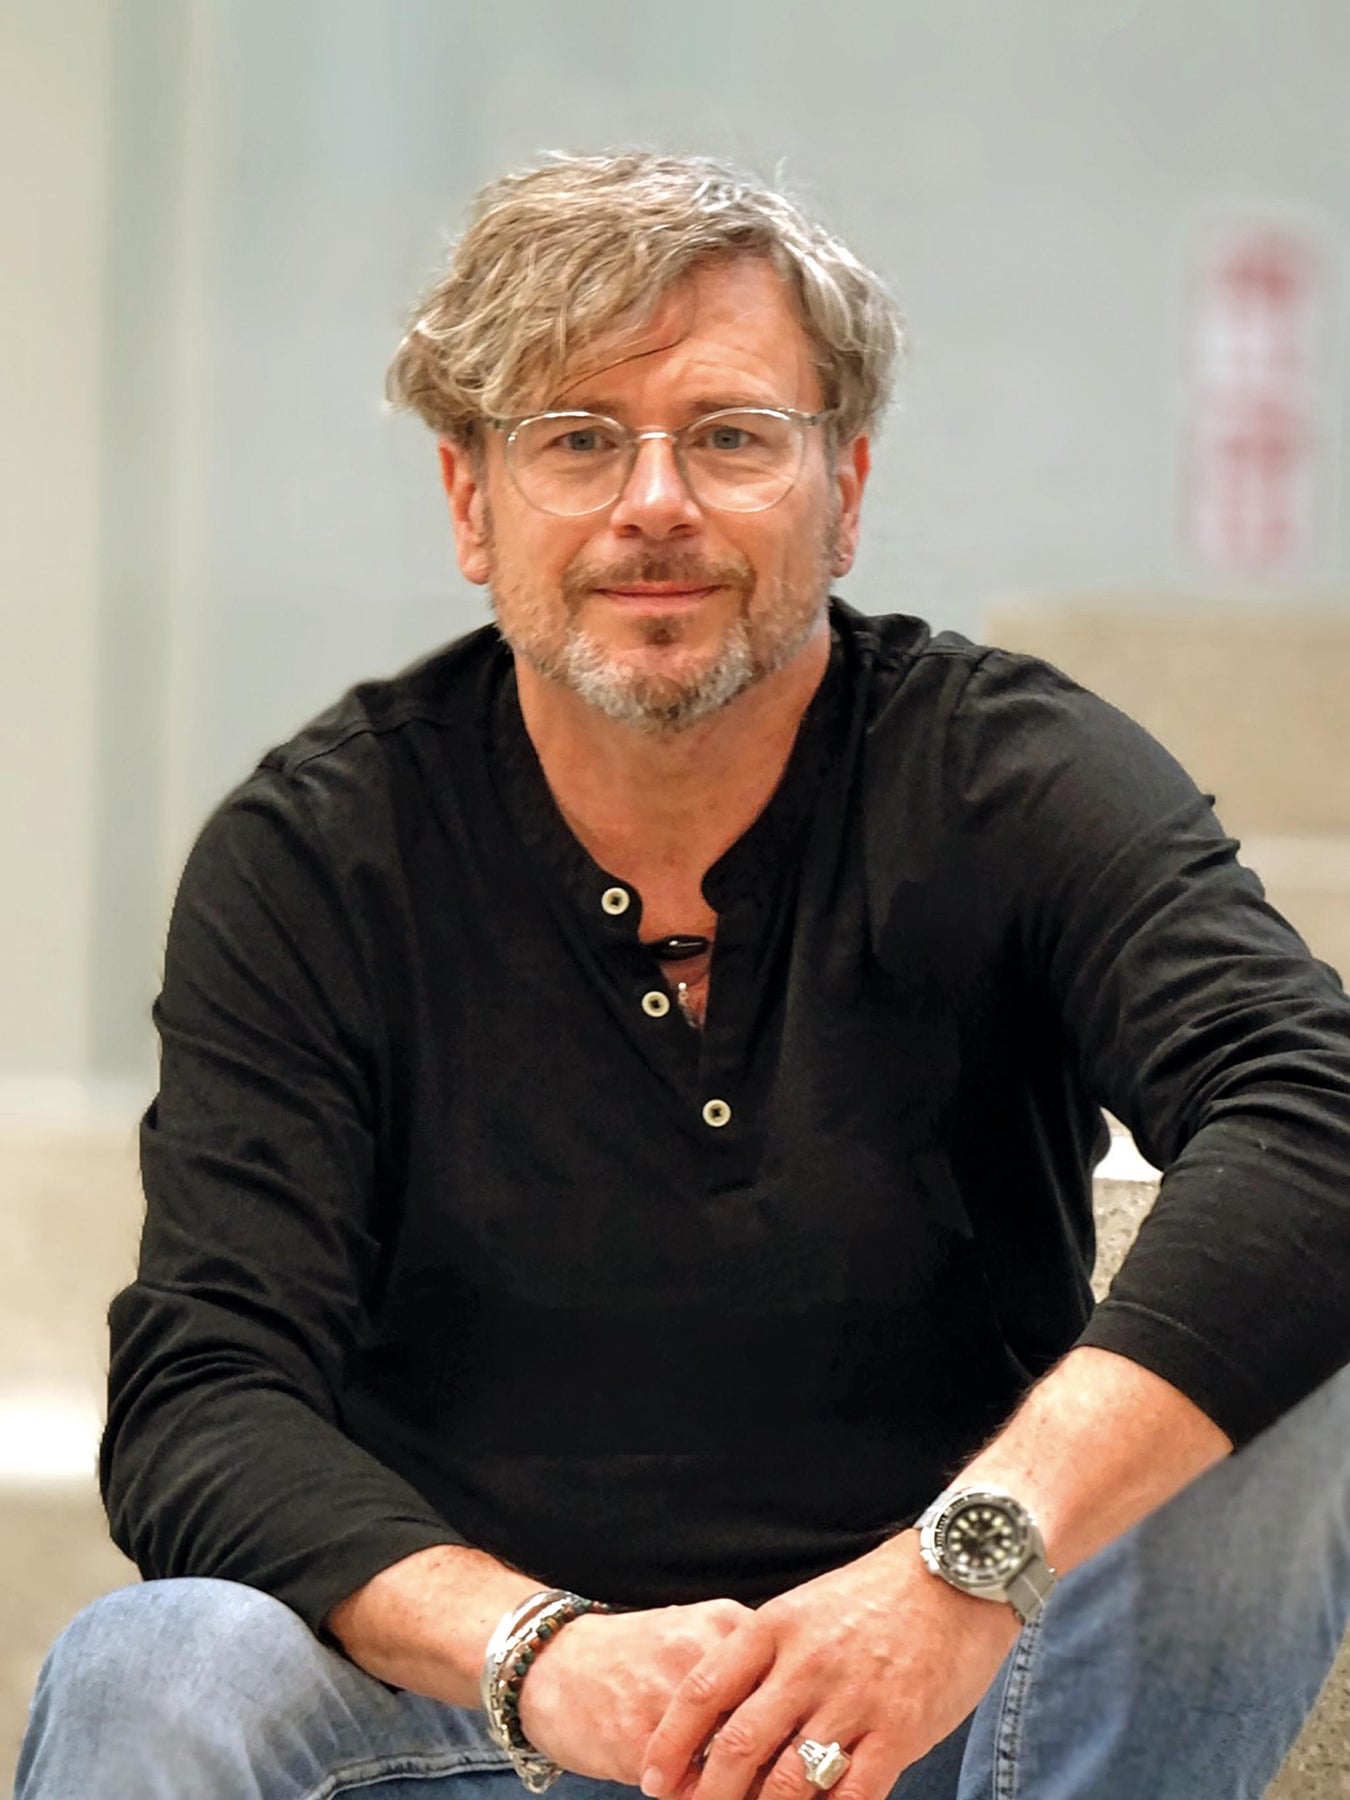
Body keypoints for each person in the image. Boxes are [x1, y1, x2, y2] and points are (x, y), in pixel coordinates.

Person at [16, 151, 1350, 1800]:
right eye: (577, 440)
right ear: (469, 502)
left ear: (844, 492)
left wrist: (958, 1568)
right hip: (492, 1731)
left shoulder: (1008, 778)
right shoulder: (318, 854)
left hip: (947, 1721)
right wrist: (540, 1655)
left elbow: (1314, 1110)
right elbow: (204, 1398)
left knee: (1296, 1342)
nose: (654, 502)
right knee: (153, 1667)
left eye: (730, 436)